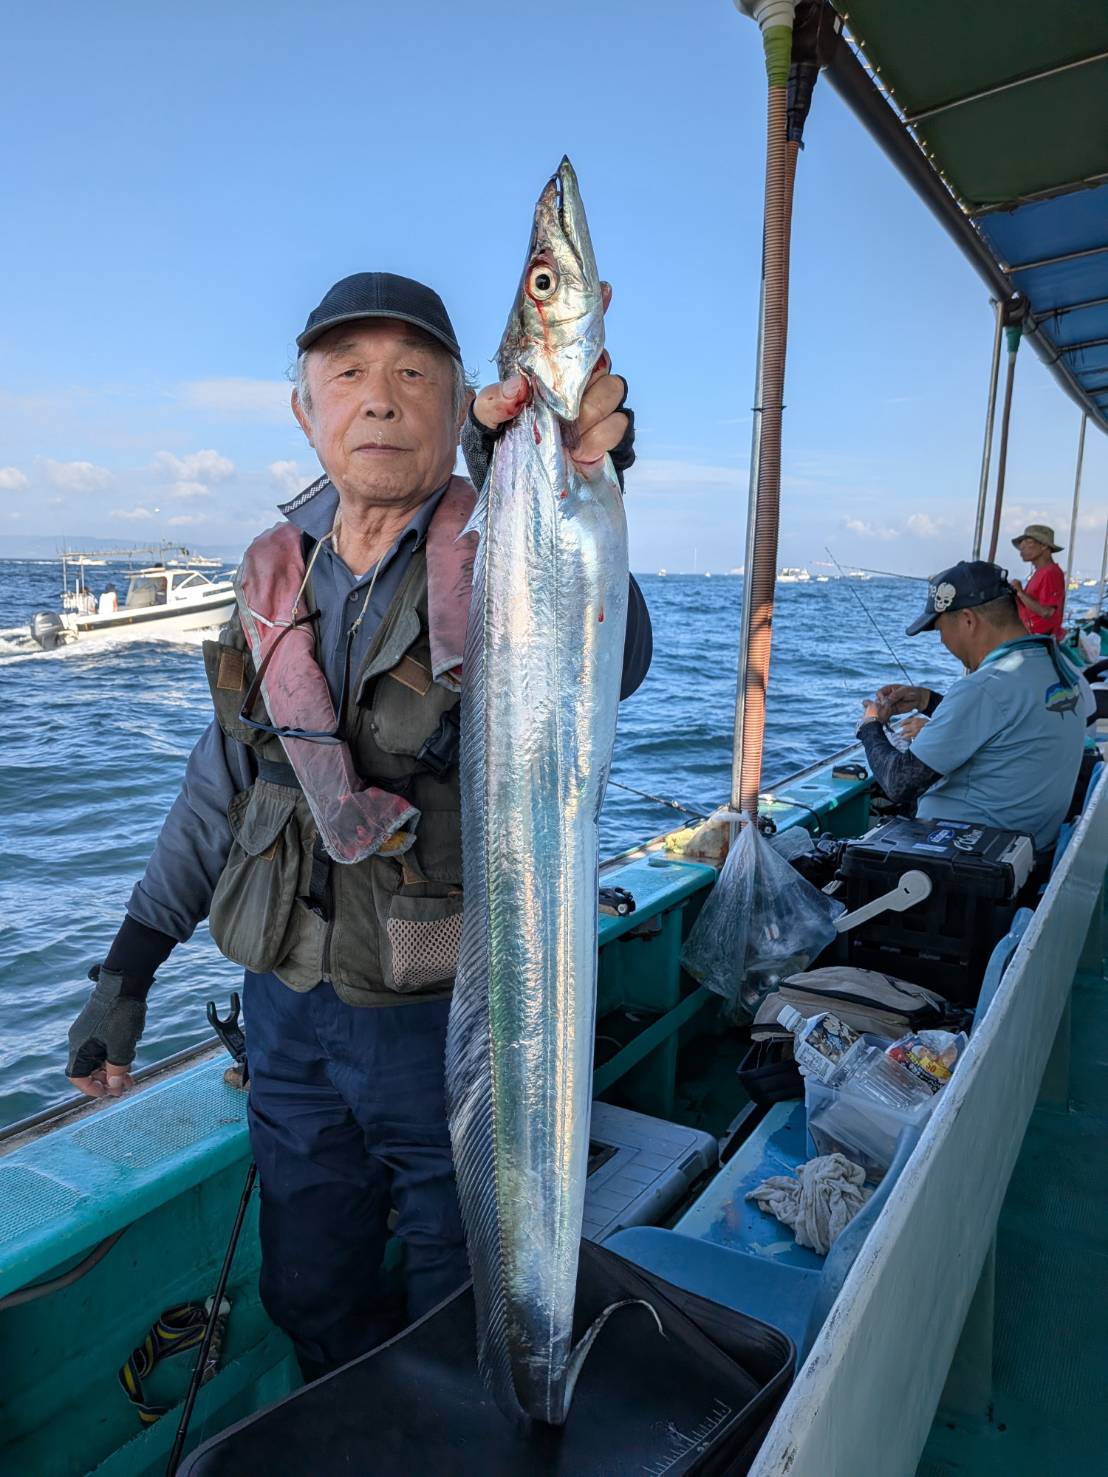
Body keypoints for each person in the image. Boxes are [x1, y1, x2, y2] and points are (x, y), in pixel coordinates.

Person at [63, 272, 651, 1382]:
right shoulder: (275, 576)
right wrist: (127, 972)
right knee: (309, 1282)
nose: (379, 398)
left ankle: (473, 1431)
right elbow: (220, 787)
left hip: (446, 1014)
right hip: (286, 1014)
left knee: (464, 1284)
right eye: (348, 374)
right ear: (306, 412)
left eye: (413, 373)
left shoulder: (509, 543)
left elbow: (606, 659)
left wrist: (577, 479)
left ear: (464, 402)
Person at [856, 559, 1086, 852]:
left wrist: (871, 725)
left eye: (940, 629)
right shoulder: (1055, 667)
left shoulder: (987, 686)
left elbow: (899, 782)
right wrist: (927, 700)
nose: (942, 641)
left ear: (968, 619)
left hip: (964, 854)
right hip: (1027, 844)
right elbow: (1006, 724)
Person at [1010, 523, 1065, 640]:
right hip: (1029, 634)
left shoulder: (1050, 572)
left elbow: (1047, 612)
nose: (1022, 546)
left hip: (1040, 639)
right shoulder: (1040, 572)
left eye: (1028, 541)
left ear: (1044, 545)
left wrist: (1020, 593)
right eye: (1022, 543)